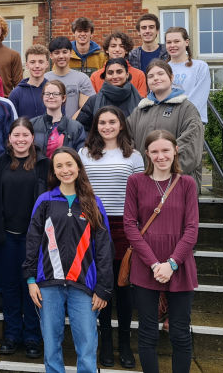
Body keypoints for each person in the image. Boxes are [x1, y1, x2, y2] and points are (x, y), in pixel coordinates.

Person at [24, 147, 113, 373]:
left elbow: (103, 248)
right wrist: (30, 279)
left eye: (69, 164)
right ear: (53, 171)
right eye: (59, 166)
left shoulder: (93, 202)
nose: (65, 170)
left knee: (87, 347)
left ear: (78, 167)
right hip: (48, 285)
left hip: (84, 286)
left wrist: (103, 287)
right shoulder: (45, 201)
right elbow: (33, 241)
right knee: (51, 346)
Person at [124, 130, 199, 373]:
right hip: (147, 265)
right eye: (154, 151)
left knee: (179, 332)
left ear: (175, 150)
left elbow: (191, 229)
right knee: (147, 332)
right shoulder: (135, 182)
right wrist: (155, 264)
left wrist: (172, 264)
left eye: (165, 150)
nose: (160, 156)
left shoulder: (187, 183)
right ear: (147, 153)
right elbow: (130, 225)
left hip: (180, 265)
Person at [78, 106, 144, 368]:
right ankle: (105, 342)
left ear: (121, 125)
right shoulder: (84, 153)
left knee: (123, 287)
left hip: (124, 226)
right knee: (100, 285)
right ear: (96, 126)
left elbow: (140, 194)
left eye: (112, 122)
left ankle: (125, 343)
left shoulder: (134, 156)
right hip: (94, 225)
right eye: (102, 122)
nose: (107, 127)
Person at [0, 117, 50, 360]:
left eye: (25, 135)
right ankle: (11, 334)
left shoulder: (45, 164)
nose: (21, 140)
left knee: (32, 288)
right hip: (6, 237)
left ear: (33, 137)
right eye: (16, 135)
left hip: (36, 239)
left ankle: (32, 336)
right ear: (9, 139)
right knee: (10, 287)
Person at [127, 59, 204, 189]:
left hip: (178, 183)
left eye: (160, 74)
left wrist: (163, 173)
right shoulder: (139, 111)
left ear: (171, 77)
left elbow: (191, 144)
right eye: (151, 76)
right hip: (146, 183)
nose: (156, 78)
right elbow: (128, 142)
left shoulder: (187, 109)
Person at [77, 58, 143, 131]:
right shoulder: (93, 101)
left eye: (119, 72)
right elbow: (80, 129)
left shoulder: (141, 102)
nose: (115, 76)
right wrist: (93, 141)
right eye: (110, 73)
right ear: (105, 76)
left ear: (127, 74)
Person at [165, 27, 210, 123]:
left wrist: (179, 115)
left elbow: (199, 97)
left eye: (176, 41)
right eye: (169, 42)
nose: (172, 45)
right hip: (167, 121)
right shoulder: (162, 68)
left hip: (192, 120)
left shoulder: (200, 66)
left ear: (186, 42)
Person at [30, 80, 86, 156]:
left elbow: (80, 155)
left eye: (55, 94)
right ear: (42, 97)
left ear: (63, 98)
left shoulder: (76, 127)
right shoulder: (32, 124)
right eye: (47, 94)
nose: (51, 97)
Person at [44, 36, 95, 119]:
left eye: (64, 52)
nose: (61, 56)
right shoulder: (44, 79)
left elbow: (86, 107)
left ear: (71, 53)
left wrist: (71, 125)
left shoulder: (82, 79)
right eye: (57, 53)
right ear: (51, 56)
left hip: (75, 128)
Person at [90, 32, 148, 96]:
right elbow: (93, 102)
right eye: (113, 46)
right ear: (107, 50)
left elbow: (141, 102)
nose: (117, 49)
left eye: (121, 46)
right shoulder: (95, 76)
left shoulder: (139, 75)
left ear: (126, 50)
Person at [9, 44, 49, 119]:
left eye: (41, 62)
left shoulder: (54, 91)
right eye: (32, 62)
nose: (37, 66)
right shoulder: (16, 94)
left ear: (46, 64)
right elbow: (12, 124)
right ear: (27, 65)